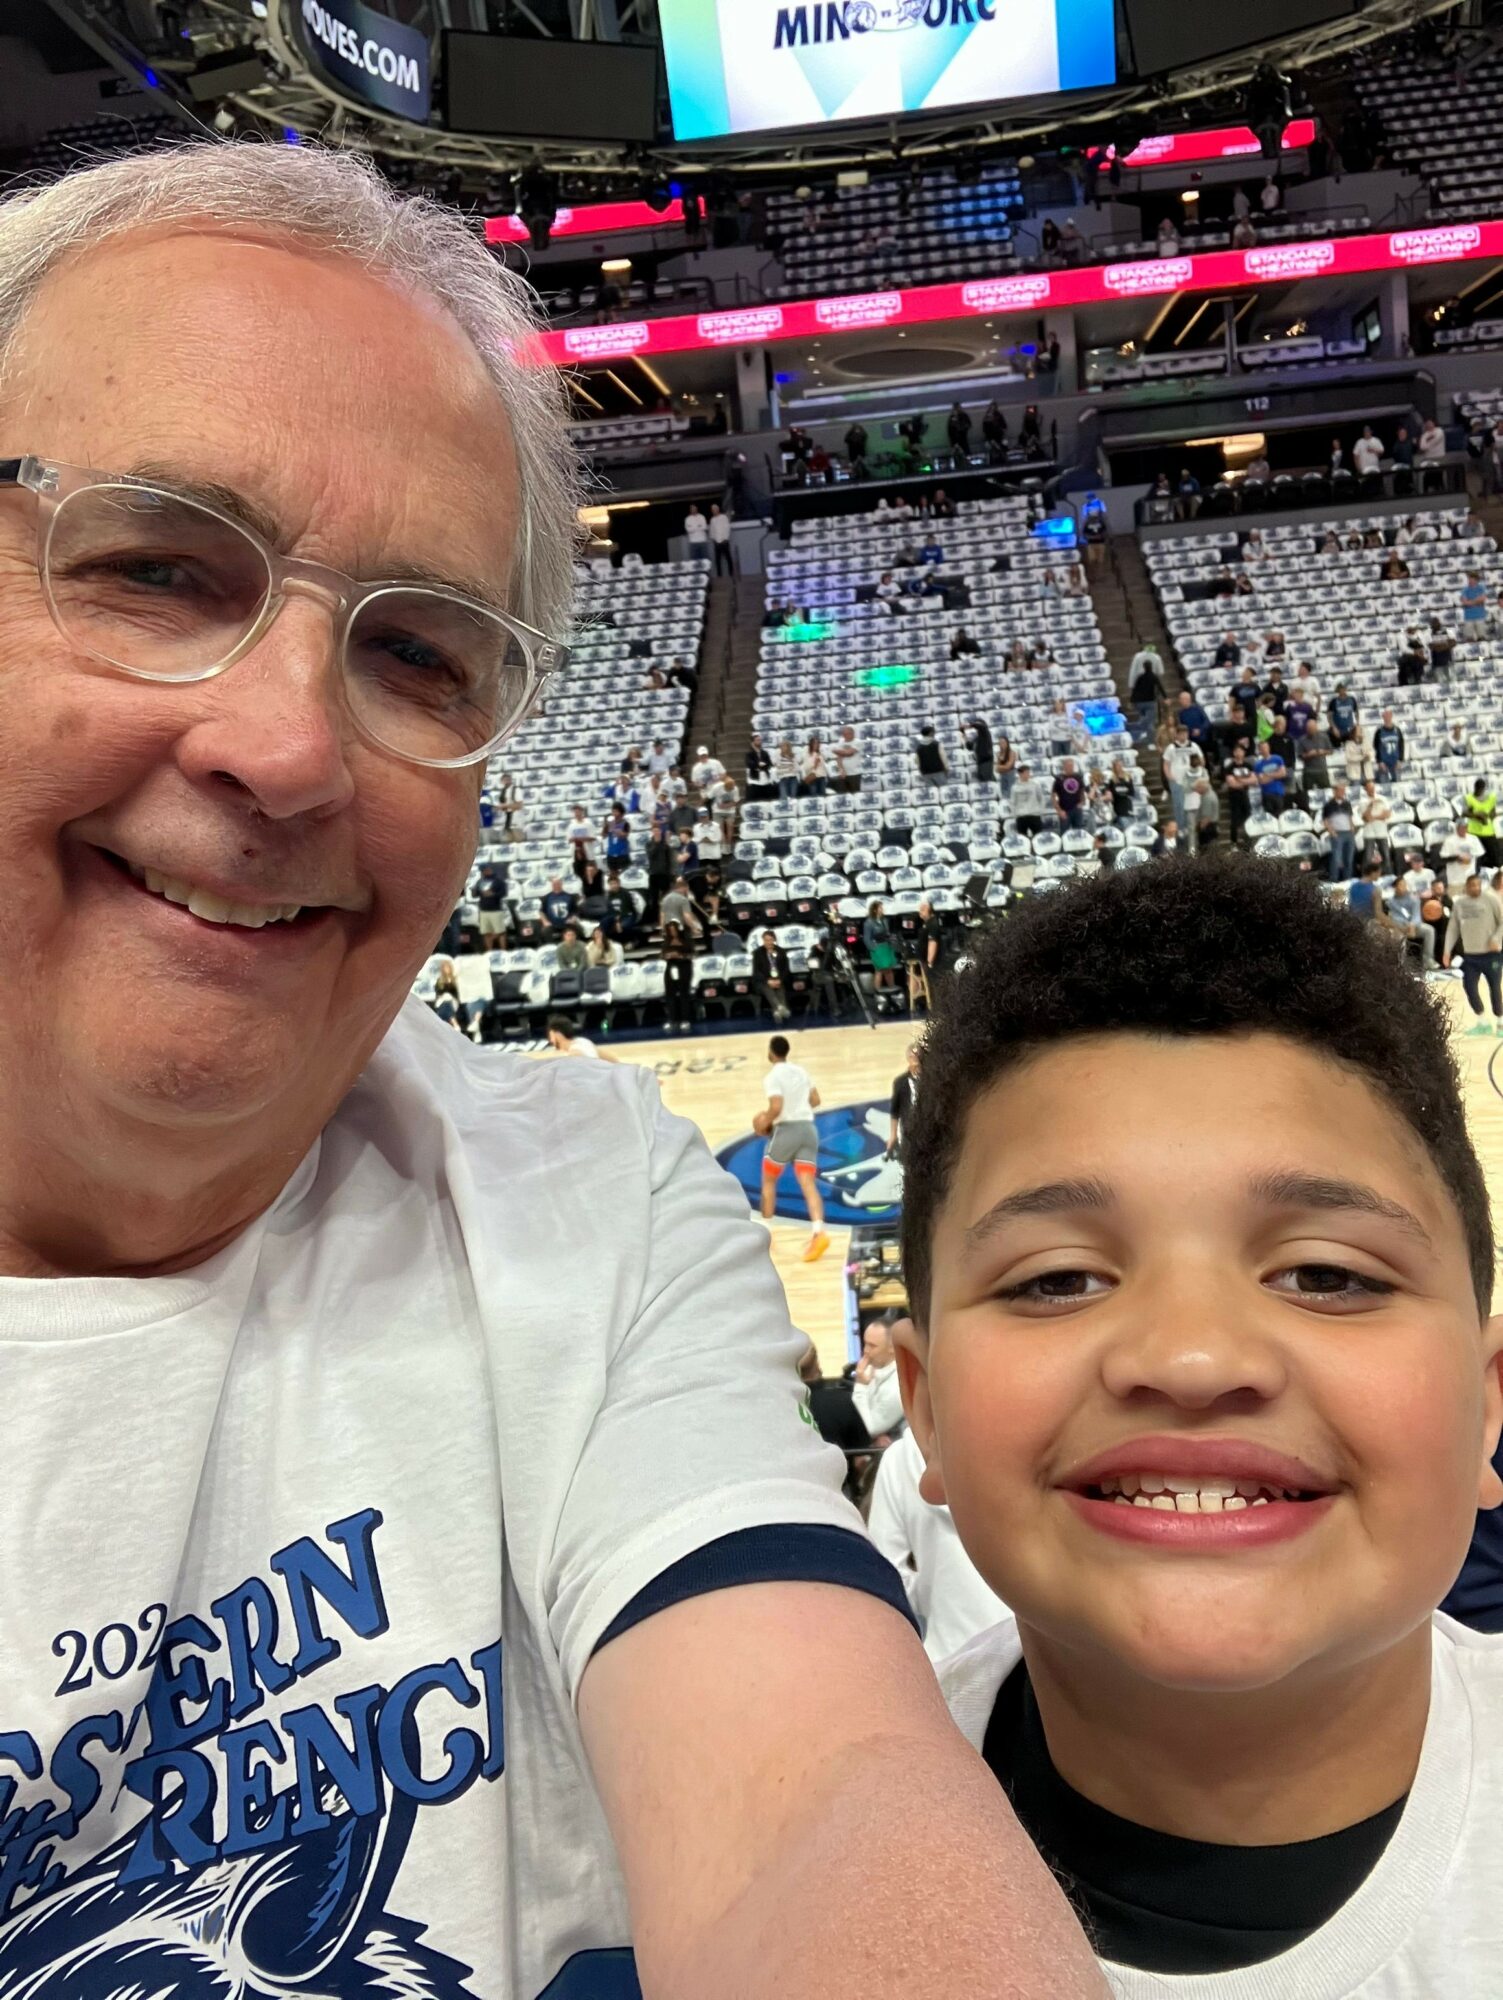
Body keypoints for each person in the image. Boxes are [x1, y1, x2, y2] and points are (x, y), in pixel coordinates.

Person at [894, 859, 1503, 1994]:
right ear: (923, 1408)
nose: (1192, 1357)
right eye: (1059, 1279)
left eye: (1326, 1272)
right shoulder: (792, 1852)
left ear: (1491, 1401)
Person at [869, 1421, 1009, 1664]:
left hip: (946, 1658)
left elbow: (884, 1577)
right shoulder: (1031, 1444)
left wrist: (934, 1590)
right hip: (1042, 1667)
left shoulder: (899, 1459)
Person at [757, 1036, 831, 1261]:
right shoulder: (801, 1071)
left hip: (786, 1131)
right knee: (808, 1184)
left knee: (769, 1181)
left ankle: (765, 1232)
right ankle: (818, 1232)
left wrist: (764, 1120)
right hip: (808, 1130)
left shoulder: (772, 1077)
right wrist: (798, 1108)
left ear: (771, 1053)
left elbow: (776, 1106)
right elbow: (816, 1099)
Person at [1444, 873, 1503, 1034]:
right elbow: (1453, 928)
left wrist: (1496, 939)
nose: (1476, 888)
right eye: (1472, 885)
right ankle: (1482, 1021)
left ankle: (1500, 1021)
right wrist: (1447, 950)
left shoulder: (1491, 899)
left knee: (1495, 987)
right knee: (1469, 987)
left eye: (1478, 885)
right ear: (1467, 887)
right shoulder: (1460, 903)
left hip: (1491, 954)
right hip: (1470, 955)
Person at [852, 1313, 905, 1441]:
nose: (865, 1351)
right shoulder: (870, 1368)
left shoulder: (898, 1388)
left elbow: (869, 1428)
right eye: (865, 1344)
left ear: (892, 1348)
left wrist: (860, 1386)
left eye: (872, 1346)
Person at [660, 916, 696, 1033]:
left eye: (674, 929)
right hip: (671, 968)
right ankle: (672, 1019)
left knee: (684, 994)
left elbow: (692, 954)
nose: (673, 932)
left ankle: (685, 1019)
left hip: (684, 967)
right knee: (670, 994)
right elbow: (662, 954)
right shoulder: (667, 941)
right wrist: (668, 956)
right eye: (670, 930)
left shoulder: (687, 940)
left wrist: (680, 955)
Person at [888, 1042, 922, 1161]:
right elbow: (895, 1111)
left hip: (925, 1127)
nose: (916, 1058)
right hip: (907, 1130)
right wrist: (892, 1135)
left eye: (918, 1055)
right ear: (908, 1058)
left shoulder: (930, 1080)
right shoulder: (900, 1082)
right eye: (913, 1056)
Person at [753, 927, 793, 1023]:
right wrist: (768, 980)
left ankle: (778, 1011)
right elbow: (756, 972)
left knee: (780, 988)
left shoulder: (781, 952)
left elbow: (786, 969)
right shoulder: (757, 953)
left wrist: (780, 980)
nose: (768, 942)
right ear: (763, 940)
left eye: (771, 940)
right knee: (768, 988)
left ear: (774, 940)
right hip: (763, 981)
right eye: (766, 940)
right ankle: (780, 1007)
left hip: (779, 979)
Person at [865, 899, 900, 1003]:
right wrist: (873, 948)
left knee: (889, 970)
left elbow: (887, 933)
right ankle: (877, 994)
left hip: (886, 947)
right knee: (879, 970)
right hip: (877, 949)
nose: (882, 909)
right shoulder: (869, 923)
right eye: (880, 907)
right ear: (875, 910)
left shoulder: (885, 920)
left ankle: (892, 990)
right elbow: (867, 939)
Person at [1323, 782, 1357, 881]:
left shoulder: (1347, 803)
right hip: (1337, 833)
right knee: (1336, 859)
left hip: (1349, 833)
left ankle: (1348, 880)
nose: (1343, 792)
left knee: (1349, 859)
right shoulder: (1329, 805)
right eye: (1340, 790)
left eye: (1344, 791)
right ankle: (1334, 879)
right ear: (1335, 791)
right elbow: (1325, 821)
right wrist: (1332, 832)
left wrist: (1352, 829)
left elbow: (1350, 818)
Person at [545, 1014, 617, 1060]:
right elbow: (612, 1059)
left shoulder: (574, 1054)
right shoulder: (583, 1041)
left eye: (551, 1036)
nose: (551, 1041)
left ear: (558, 1035)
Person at [1465, 776, 1500, 867]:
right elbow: (1464, 813)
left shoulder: (1491, 798)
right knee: (1476, 857)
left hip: (1488, 831)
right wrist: (1477, 816)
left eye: (1481, 788)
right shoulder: (1469, 798)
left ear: (1484, 788)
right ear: (1475, 788)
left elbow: (1493, 813)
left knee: (1496, 858)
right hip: (1474, 832)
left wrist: (1487, 817)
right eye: (1478, 788)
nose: (1479, 790)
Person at [1010, 763, 1048, 836]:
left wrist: (1041, 811)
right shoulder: (1014, 787)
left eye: (1028, 772)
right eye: (1026, 772)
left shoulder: (1035, 784)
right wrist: (1015, 815)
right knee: (1023, 838)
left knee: (1038, 836)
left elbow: (1041, 798)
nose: (1028, 774)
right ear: (1020, 774)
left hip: (1034, 815)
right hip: (1021, 816)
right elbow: (1012, 802)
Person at [1053, 759, 1086, 831]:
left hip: (1077, 809)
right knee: (1065, 833)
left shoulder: (1078, 777)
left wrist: (1082, 802)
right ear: (1064, 767)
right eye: (1068, 766)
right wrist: (1059, 810)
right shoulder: (1059, 779)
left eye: (1072, 766)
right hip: (1064, 810)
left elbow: (1082, 791)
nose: (1071, 768)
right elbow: (1054, 796)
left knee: (1079, 832)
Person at [833, 724, 862, 793]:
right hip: (843, 774)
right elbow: (839, 757)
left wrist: (837, 751)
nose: (844, 736)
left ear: (852, 734)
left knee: (855, 794)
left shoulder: (857, 742)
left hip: (855, 773)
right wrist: (841, 769)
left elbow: (849, 753)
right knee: (844, 795)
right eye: (843, 734)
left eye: (846, 734)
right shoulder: (841, 741)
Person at [708, 499, 734, 575]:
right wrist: (713, 540)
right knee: (717, 560)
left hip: (724, 541)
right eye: (712, 510)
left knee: (728, 558)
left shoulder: (724, 517)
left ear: (718, 509)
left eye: (715, 509)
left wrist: (725, 539)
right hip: (717, 543)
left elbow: (727, 528)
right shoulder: (712, 519)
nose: (714, 511)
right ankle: (719, 575)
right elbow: (712, 530)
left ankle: (731, 574)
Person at [968, 714, 995, 785]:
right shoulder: (977, 737)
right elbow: (969, 746)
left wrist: (970, 724)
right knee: (982, 781)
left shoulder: (986, 733)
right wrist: (963, 734)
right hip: (980, 762)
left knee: (987, 782)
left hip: (986, 761)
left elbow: (982, 727)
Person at [746, 732, 774, 799]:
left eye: (760, 740)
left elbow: (769, 764)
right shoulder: (750, 753)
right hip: (755, 780)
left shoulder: (765, 753)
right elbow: (749, 764)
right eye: (757, 740)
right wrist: (758, 765)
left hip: (765, 779)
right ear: (753, 742)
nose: (759, 741)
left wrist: (761, 766)